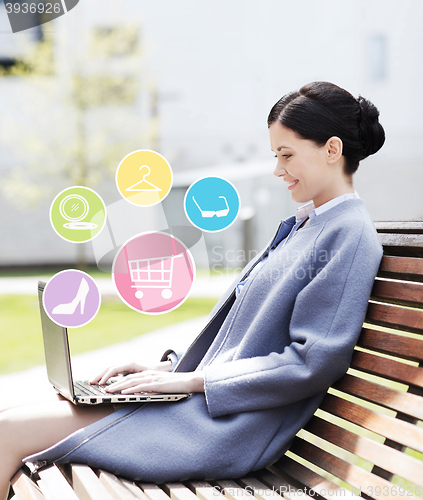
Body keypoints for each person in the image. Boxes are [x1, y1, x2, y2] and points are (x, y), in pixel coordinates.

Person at [0, 81, 385, 499]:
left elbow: (311, 361)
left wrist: (191, 382)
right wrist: (167, 371)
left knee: (7, 432)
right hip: (202, 407)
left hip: (221, 426)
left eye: (287, 155)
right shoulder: (307, 225)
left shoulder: (349, 235)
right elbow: (245, 343)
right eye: (276, 155)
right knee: (10, 419)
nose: (278, 170)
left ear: (332, 150)